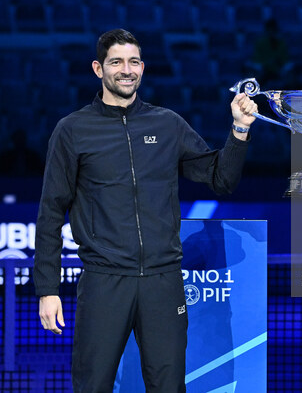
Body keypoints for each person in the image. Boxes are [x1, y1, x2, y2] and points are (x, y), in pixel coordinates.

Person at [33, 29, 257, 392]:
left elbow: (220, 179)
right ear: (97, 68)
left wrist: (240, 129)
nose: (126, 70)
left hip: (163, 281)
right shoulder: (72, 130)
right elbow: (50, 212)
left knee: (168, 385)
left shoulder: (167, 124)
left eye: (133, 61)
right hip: (104, 281)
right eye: (116, 62)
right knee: (92, 385)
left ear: (142, 67)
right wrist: (48, 288)